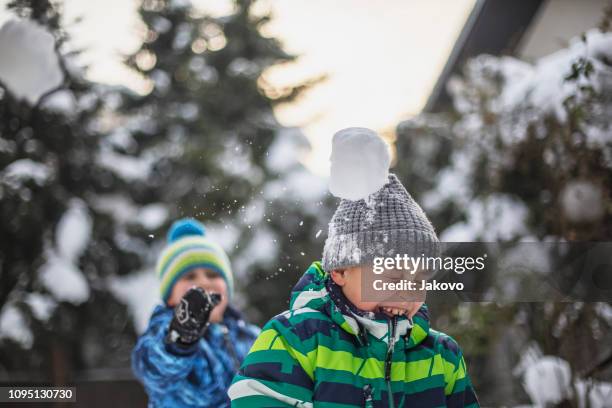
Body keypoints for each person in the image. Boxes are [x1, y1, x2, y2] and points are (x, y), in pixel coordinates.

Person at [229, 174, 479, 407]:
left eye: (418, 280)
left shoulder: (442, 355)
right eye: (392, 277)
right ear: (339, 271)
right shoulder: (294, 339)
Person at [132, 218, 259, 408]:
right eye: (190, 277)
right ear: (170, 298)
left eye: (213, 275)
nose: (204, 282)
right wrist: (181, 339)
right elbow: (155, 369)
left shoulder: (250, 336)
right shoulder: (162, 332)